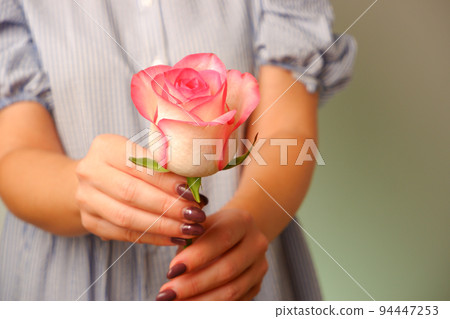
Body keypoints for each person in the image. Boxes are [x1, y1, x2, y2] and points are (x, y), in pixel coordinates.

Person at [0, 0, 355, 300]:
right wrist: (81, 190)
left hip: (244, 275)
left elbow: (288, 131)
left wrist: (247, 226)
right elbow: (14, 156)